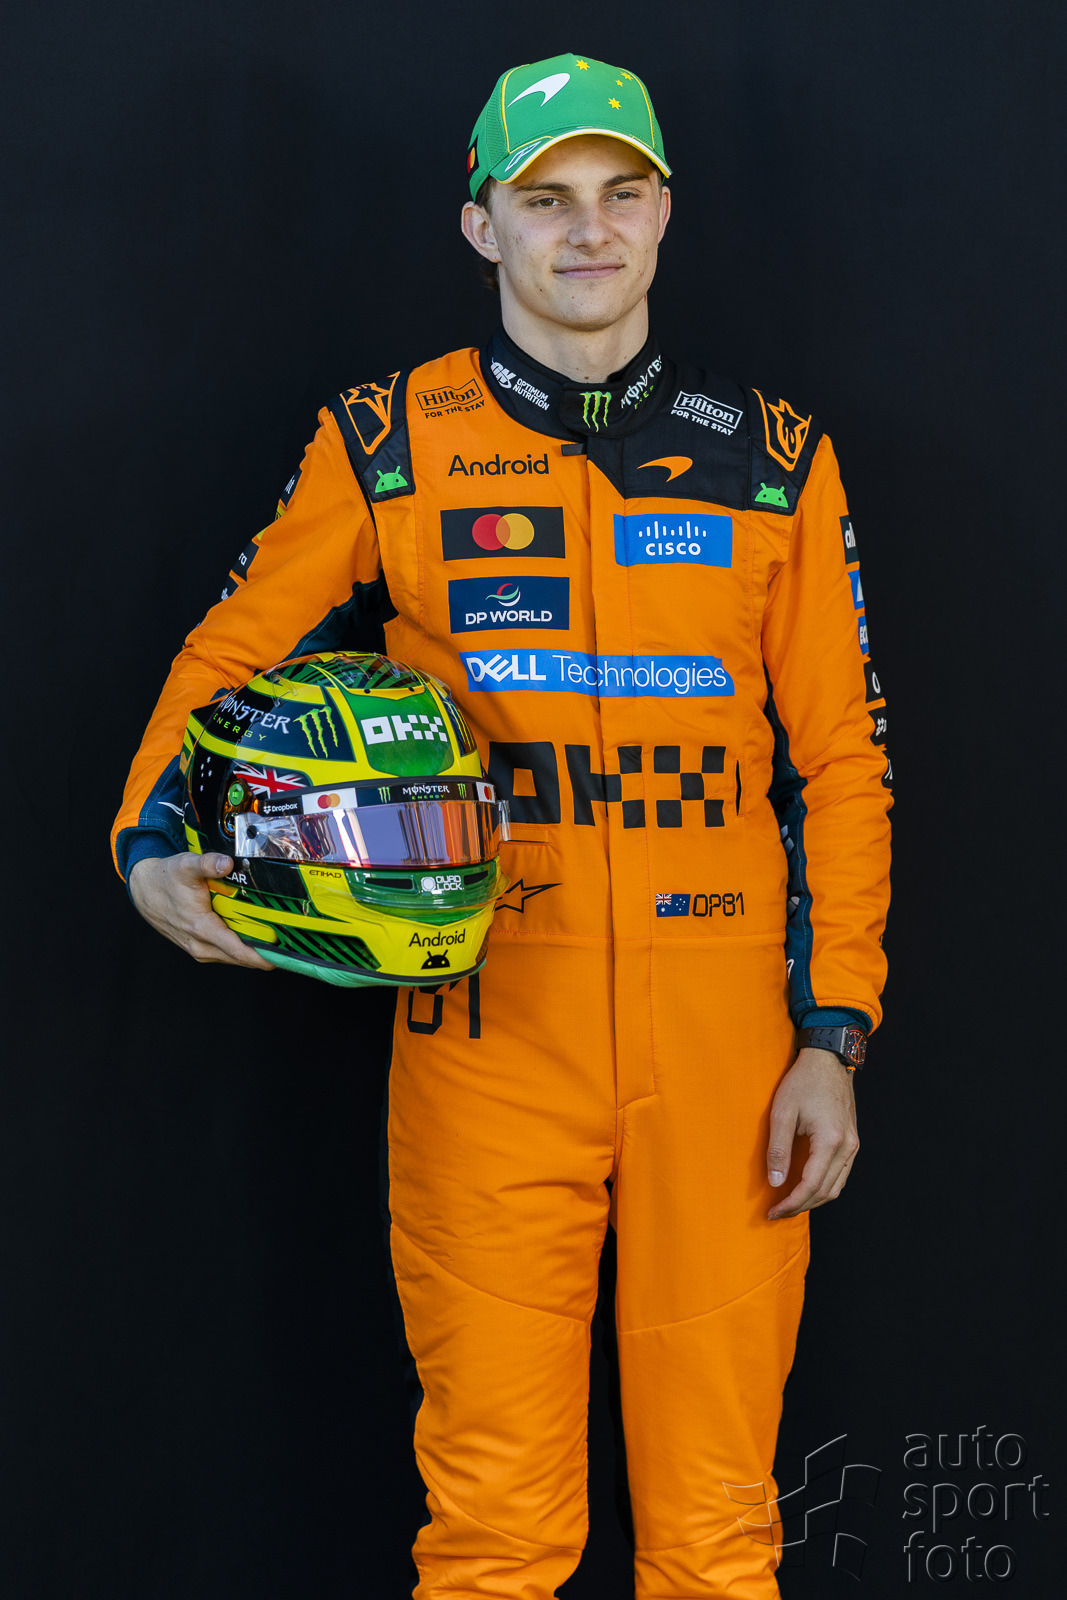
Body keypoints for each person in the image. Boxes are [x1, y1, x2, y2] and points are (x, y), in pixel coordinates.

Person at [112, 51, 891, 1600]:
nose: (586, 229)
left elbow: (843, 762)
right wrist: (148, 844)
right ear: (483, 226)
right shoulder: (389, 441)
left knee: (720, 1535)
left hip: (731, 1051)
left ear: (664, 213)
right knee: (493, 1536)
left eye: (619, 193)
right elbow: (229, 654)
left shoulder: (775, 457)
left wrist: (835, 1033)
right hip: (486, 1032)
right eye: (546, 199)